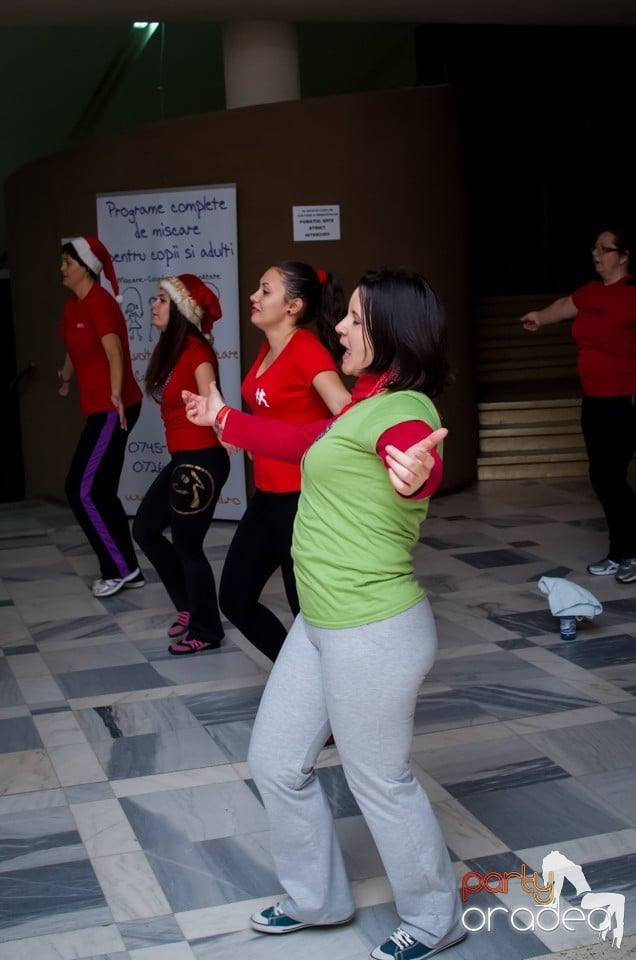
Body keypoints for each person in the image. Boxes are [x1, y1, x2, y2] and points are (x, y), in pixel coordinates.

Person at [183, 268, 466, 960]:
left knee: (380, 779)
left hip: (373, 631)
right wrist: (223, 418)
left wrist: (415, 474)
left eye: (358, 319)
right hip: (321, 624)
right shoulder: (364, 401)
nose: (340, 326)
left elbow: (412, 456)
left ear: (394, 333)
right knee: (277, 762)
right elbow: (307, 445)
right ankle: (317, 901)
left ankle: (435, 919)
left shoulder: (409, 411)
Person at [218, 261, 350, 662]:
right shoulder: (268, 348)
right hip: (269, 496)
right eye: (258, 290)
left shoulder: (305, 348)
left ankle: (329, 704)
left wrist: (301, 446)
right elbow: (275, 411)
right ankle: (295, 680)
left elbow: (345, 412)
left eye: (265, 291)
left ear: (293, 305)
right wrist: (251, 439)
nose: (254, 298)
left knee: (307, 614)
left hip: (301, 501)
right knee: (235, 598)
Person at [521, 226, 636, 583]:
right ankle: (620, 553)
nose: (596, 254)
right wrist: (540, 316)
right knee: (601, 477)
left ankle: (628, 552)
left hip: (625, 400)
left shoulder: (632, 292)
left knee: (611, 477)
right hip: (594, 399)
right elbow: (564, 306)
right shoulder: (591, 292)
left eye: (604, 249)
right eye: (595, 248)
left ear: (624, 255)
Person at [132, 274, 230, 655]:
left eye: (160, 299)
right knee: (145, 528)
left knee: (189, 545)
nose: (153, 305)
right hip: (184, 459)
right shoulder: (171, 350)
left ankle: (207, 630)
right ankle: (189, 607)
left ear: (179, 310)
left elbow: (213, 401)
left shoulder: (196, 352)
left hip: (202, 459)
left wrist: (233, 434)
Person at [57, 235, 144, 598]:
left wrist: (115, 395)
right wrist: (65, 377)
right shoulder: (72, 307)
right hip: (99, 409)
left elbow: (114, 354)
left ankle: (117, 570)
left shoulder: (100, 303)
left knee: (81, 490)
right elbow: (74, 350)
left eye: (67, 263)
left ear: (86, 268)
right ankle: (132, 570)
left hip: (114, 408)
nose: (61, 269)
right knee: (101, 492)